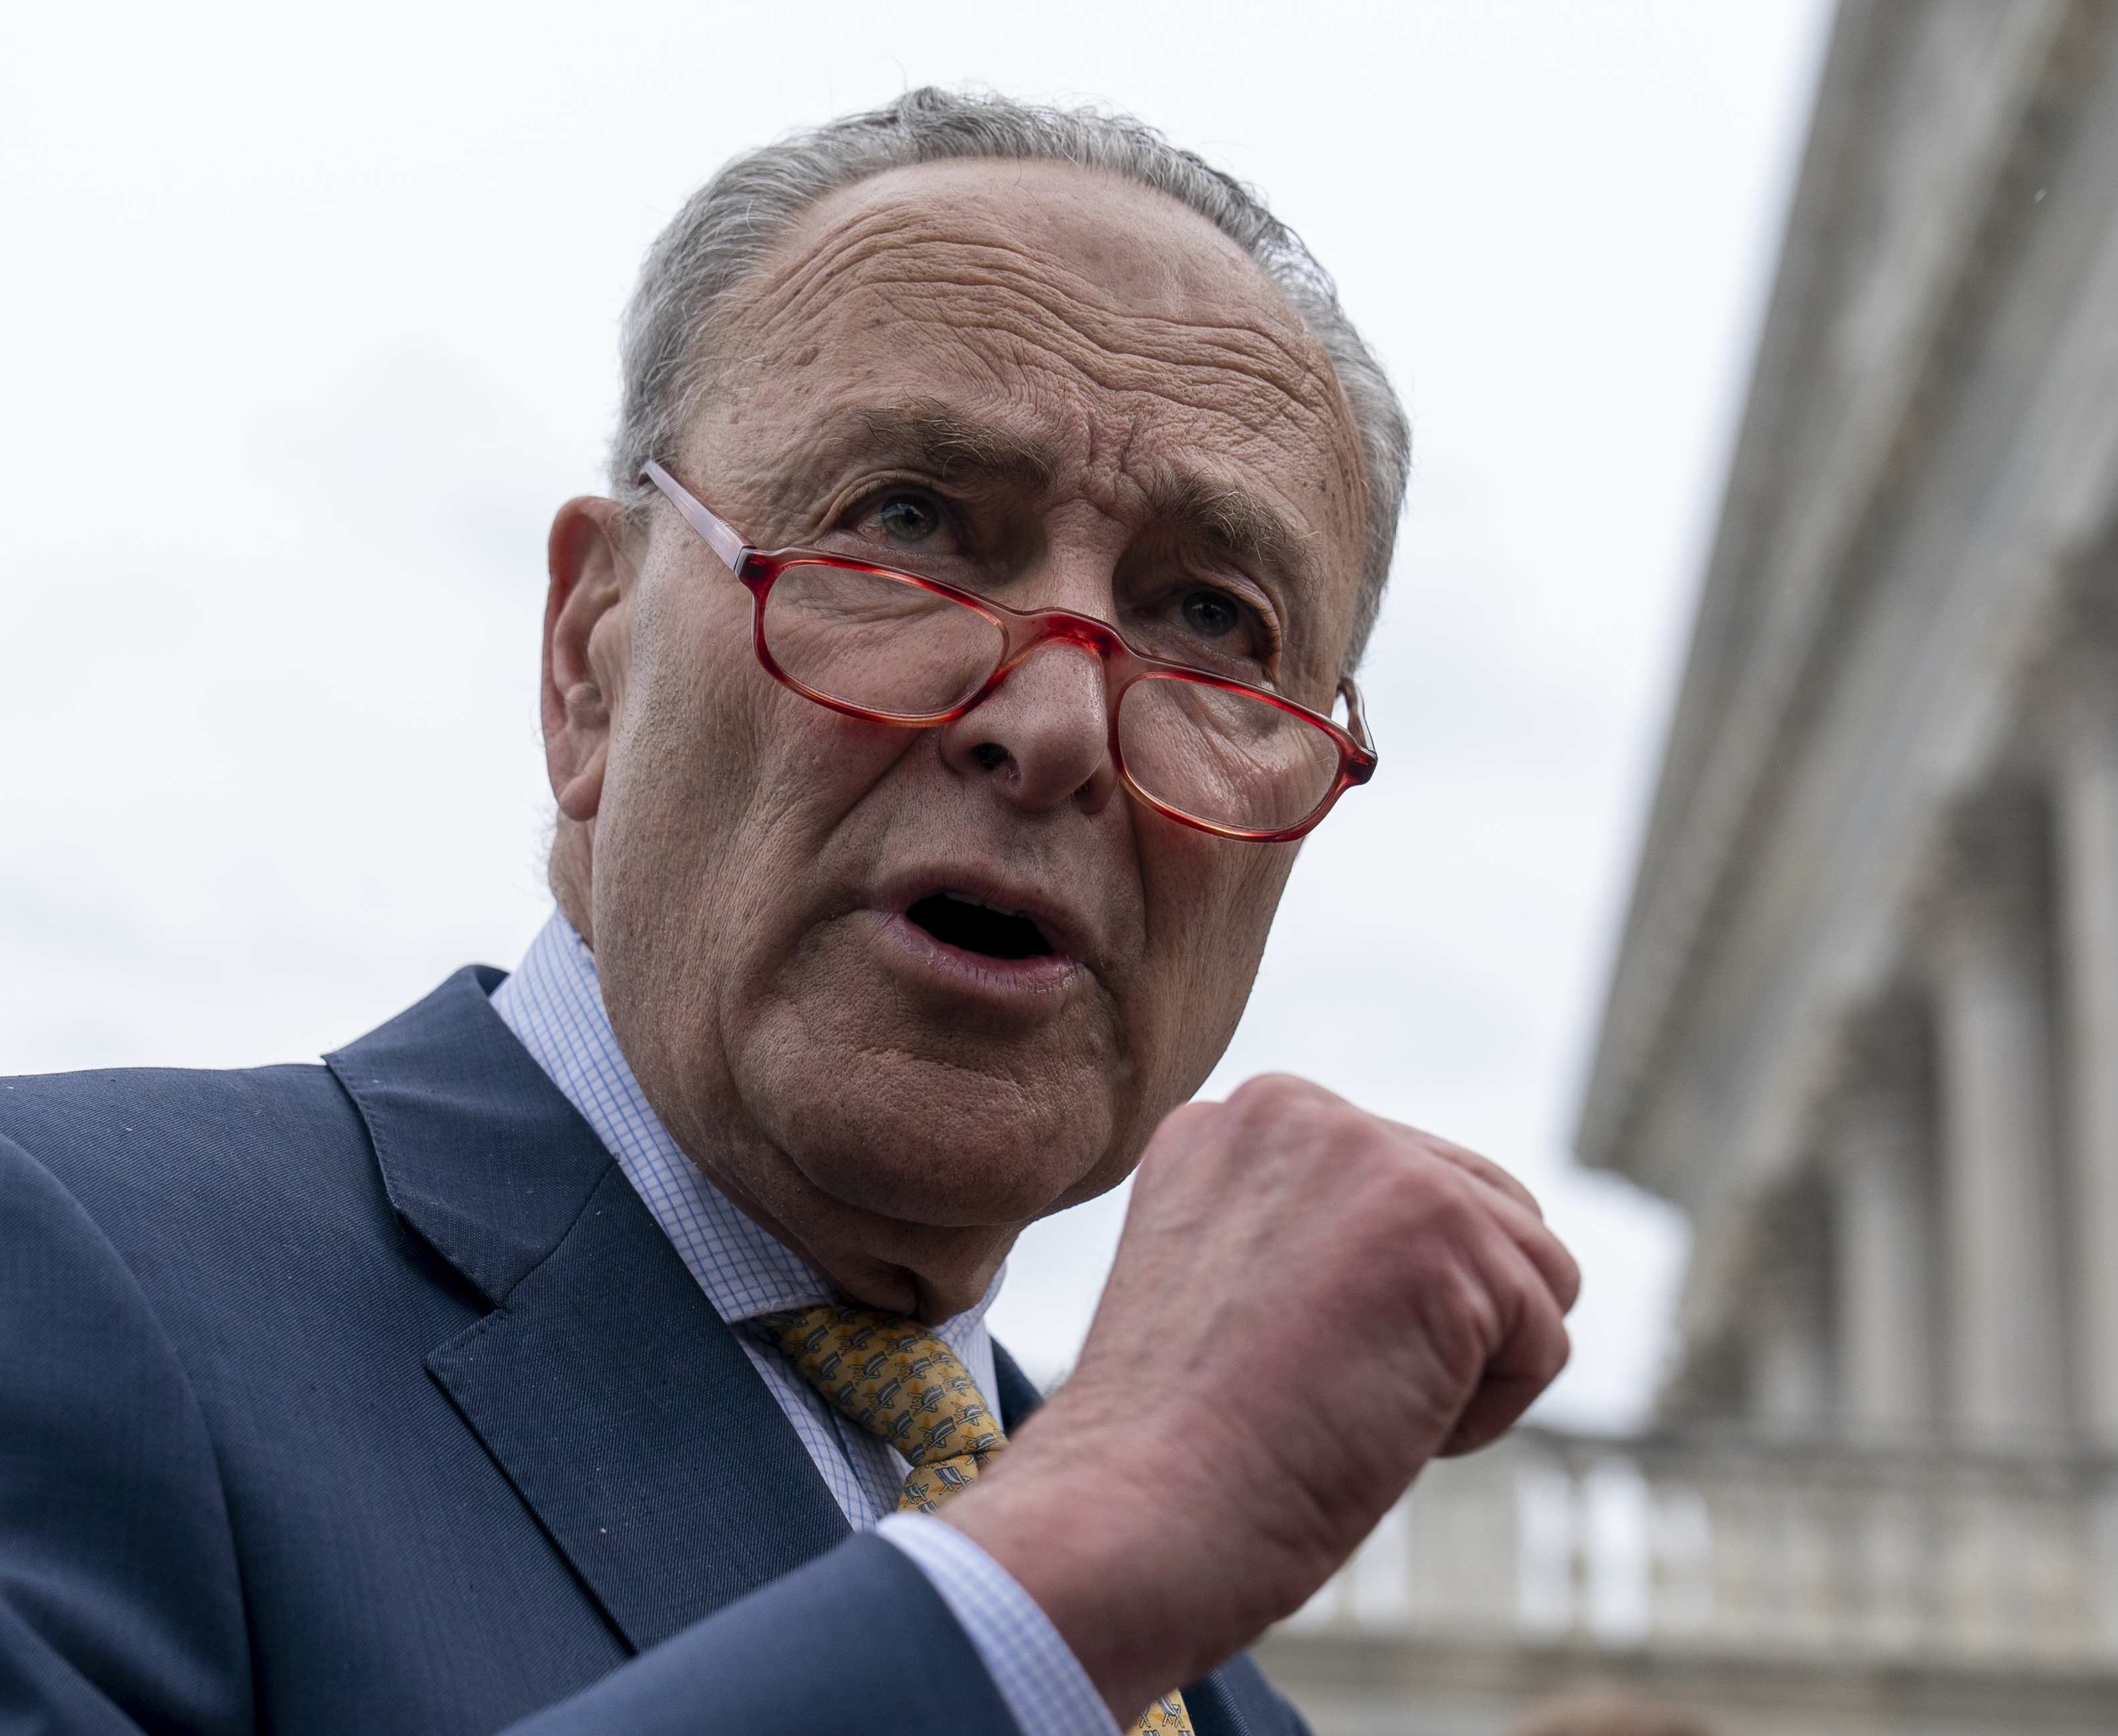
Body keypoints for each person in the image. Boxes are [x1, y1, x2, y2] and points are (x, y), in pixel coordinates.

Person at [0, 89, 1580, 1736]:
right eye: (908, 524)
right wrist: (1053, 1572)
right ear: (591, 655)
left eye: (1210, 617)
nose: (1054, 723)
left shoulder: (1217, 1699)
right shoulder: (59, 1273)